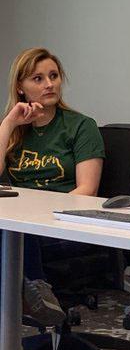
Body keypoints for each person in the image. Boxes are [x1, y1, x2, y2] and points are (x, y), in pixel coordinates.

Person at [0, 47, 105, 325]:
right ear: (20, 89)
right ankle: (31, 294)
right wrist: (9, 123)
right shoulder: (16, 130)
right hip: (25, 223)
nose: (49, 84)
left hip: (65, 224)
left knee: (16, 229)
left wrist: (41, 215)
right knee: (13, 228)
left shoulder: (81, 126)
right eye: (37, 78)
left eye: (54, 76)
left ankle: (36, 289)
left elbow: (87, 190)